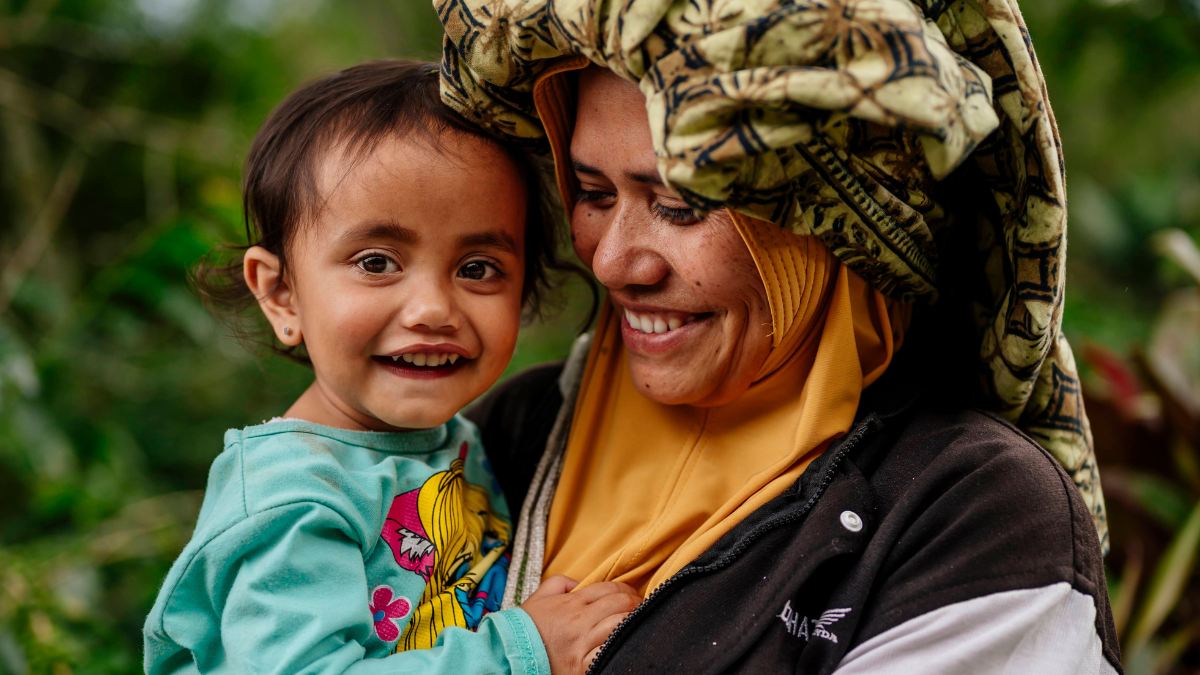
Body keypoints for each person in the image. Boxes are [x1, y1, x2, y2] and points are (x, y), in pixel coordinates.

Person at [441, 1, 1124, 673]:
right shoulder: (502, 438)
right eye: (593, 193)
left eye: (680, 206)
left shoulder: (970, 517)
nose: (613, 262)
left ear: (835, 230)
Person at [142, 59, 640, 675]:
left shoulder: (450, 441)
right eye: (377, 262)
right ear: (281, 295)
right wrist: (519, 652)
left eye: (477, 268)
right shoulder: (293, 500)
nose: (433, 309)